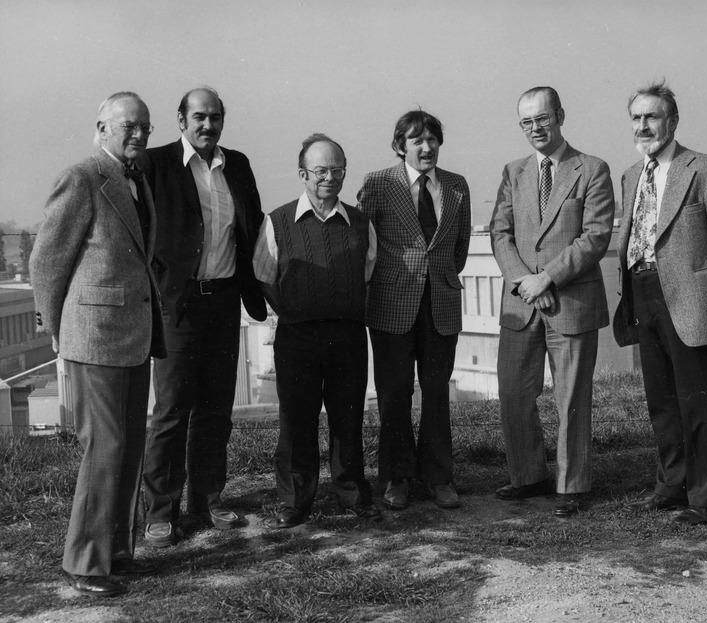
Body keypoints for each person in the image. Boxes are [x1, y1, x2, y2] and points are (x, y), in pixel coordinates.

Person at [29, 92, 164, 596]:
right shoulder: (82, 176)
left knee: (129, 447)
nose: (139, 135)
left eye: (145, 128)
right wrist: (59, 333)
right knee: (104, 449)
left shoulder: (138, 180)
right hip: (94, 340)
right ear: (102, 127)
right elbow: (46, 261)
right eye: (129, 126)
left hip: (133, 337)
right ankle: (84, 564)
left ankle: (116, 554)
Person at [613, 81, 707, 525]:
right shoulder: (632, 174)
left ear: (672, 121)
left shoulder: (704, 168)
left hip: (689, 299)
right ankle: (672, 485)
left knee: (697, 401)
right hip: (643, 293)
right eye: (637, 117)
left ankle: (706, 500)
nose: (644, 125)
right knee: (661, 401)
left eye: (652, 116)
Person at [141, 87, 267, 546]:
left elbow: (250, 227)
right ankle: (160, 510)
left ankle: (208, 500)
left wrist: (258, 292)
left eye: (215, 117)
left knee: (216, 409)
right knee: (172, 410)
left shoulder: (238, 164)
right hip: (177, 303)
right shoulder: (156, 165)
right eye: (198, 117)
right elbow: (142, 233)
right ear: (180, 120)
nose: (207, 125)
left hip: (223, 299)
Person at [490, 86, 614, 517]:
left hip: (570, 303)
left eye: (542, 119)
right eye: (526, 122)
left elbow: (596, 236)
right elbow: (499, 233)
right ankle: (528, 477)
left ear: (560, 115)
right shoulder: (513, 171)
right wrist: (524, 280)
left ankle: (571, 485)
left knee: (571, 398)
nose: (535, 128)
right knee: (513, 394)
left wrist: (548, 278)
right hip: (521, 305)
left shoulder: (592, 169)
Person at [253, 134, 380, 528]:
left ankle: (351, 493)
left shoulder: (360, 223)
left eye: (336, 169)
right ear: (303, 173)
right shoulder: (277, 221)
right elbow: (264, 275)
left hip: (347, 336)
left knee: (348, 417)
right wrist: (295, 310)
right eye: (320, 170)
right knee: (296, 420)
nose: (329, 177)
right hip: (297, 337)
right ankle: (296, 500)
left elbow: (368, 273)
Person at [358, 110, 471, 510]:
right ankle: (397, 477)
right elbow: (364, 243)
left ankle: (439, 478)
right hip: (391, 305)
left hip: (440, 303)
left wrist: (434, 277)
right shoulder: (377, 184)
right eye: (416, 141)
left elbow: (458, 250)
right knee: (394, 394)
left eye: (432, 140)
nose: (426, 148)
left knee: (438, 393)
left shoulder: (456, 186)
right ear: (400, 145)